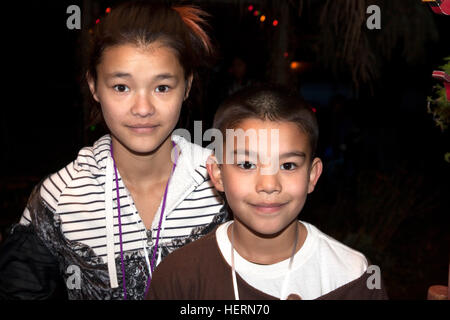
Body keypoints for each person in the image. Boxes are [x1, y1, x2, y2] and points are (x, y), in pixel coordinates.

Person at [0, 1, 226, 300]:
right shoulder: (58, 198)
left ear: (186, 86)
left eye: (162, 87)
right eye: (121, 87)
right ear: (94, 86)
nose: (143, 109)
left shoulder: (227, 183)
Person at [146, 85, 388, 300]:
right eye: (247, 165)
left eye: (288, 165)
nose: (269, 184)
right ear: (218, 173)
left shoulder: (352, 276)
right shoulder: (180, 277)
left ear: (312, 176)